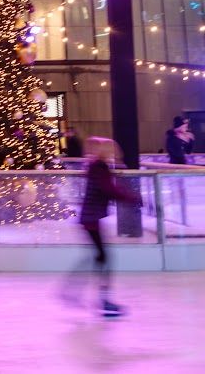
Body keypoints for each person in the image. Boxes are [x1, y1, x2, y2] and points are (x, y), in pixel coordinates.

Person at [65, 136, 140, 319]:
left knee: (99, 257)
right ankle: (101, 300)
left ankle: (74, 292)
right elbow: (108, 189)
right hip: (91, 219)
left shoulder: (96, 167)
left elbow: (107, 189)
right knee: (103, 257)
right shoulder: (99, 167)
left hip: (91, 218)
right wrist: (132, 198)